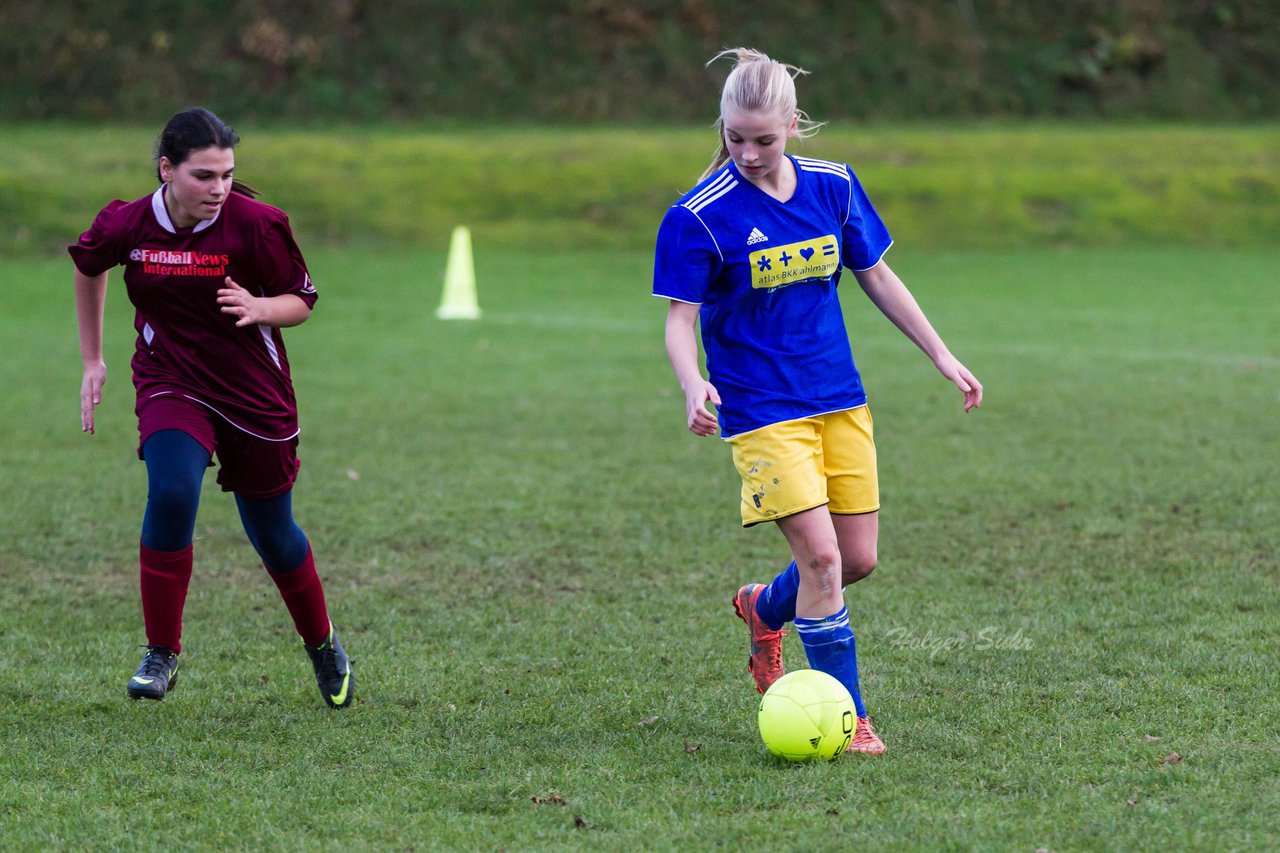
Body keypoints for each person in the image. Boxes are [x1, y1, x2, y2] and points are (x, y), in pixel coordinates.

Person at [652, 49, 982, 754]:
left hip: (839, 397)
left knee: (857, 559)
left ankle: (763, 608)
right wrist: (691, 382)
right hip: (760, 408)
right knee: (825, 562)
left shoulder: (833, 186)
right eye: (734, 137)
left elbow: (879, 276)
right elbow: (680, 318)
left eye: (762, 139)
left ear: (793, 125)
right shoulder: (699, 216)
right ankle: (852, 717)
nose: (745, 152)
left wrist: (941, 353)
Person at [70, 107, 354, 708]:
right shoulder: (128, 224)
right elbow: (89, 265)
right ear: (166, 170)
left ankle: (323, 644)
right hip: (171, 380)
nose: (219, 188)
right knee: (172, 492)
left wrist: (258, 307)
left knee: (274, 536)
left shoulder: (256, 225)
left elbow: (301, 300)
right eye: (204, 176)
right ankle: (160, 653)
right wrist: (92, 359)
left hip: (253, 392)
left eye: (226, 174)